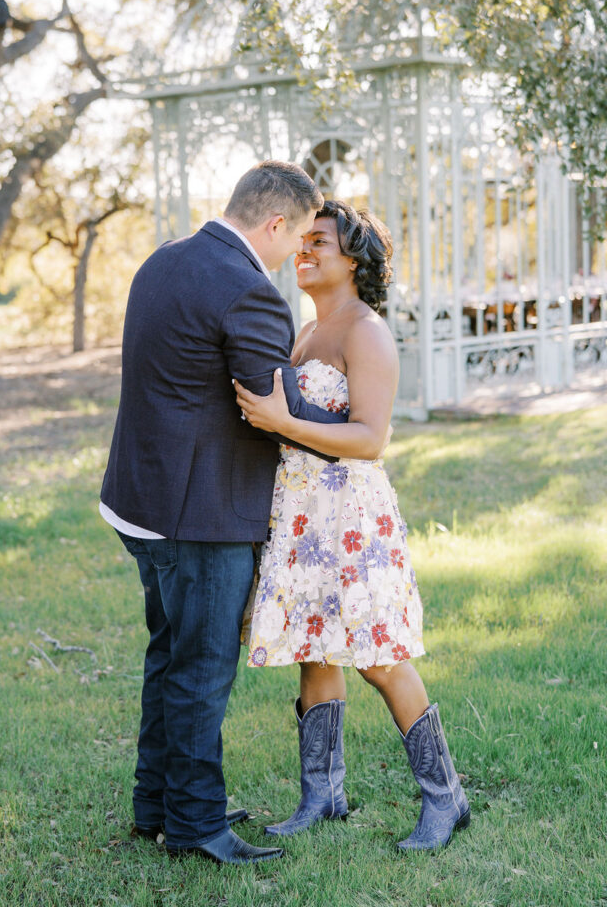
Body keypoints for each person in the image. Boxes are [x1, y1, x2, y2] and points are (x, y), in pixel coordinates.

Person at [99, 163, 383, 865]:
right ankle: (196, 827)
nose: (295, 257)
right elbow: (275, 414)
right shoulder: (247, 291)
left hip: (139, 499)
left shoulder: (163, 261)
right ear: (275, 224)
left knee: (169, 656)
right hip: (200, 513)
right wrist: (354, 426)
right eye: (297, 240)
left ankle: (155, 807)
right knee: (200, 668)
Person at [235, 200, 470, 851]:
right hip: (301, 511)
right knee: (313, 647)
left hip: (350, 514)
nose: (303, 250)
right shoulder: (306, 332)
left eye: (319, 242)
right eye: (301, 240)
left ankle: (447, 800)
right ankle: (323, 795)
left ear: (354, 260)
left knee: (379, 657)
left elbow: (370, 437)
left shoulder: (365, 331)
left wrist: (283, 423)